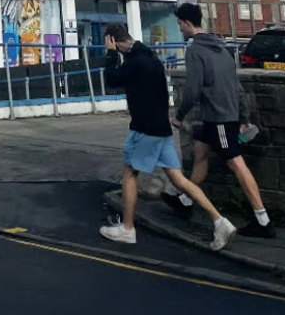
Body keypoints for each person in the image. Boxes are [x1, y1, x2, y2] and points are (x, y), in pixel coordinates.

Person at [100, 22, 236, 249]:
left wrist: (110, 54)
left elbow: (111, 80)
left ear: (112, 39)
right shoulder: (149, 57)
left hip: (145, 129)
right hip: (161, 128)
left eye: (108, 41)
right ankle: (220, 222)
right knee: (179, 179)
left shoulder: (135, 62)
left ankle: (127, 228)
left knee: (129, 173)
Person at [168, 2, 275, 239]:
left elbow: (193, 89)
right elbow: (237, 87)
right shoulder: (221, 48)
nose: (180, 29)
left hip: (219, 118)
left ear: (187, 23)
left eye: (179, 24)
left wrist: (179, 115)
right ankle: (186, 200)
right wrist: (244, 117)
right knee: (201, 151)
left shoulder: (195, 50)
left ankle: (263, 220)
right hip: (223, 116)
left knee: (236, 164)